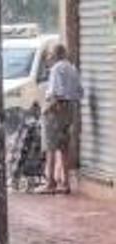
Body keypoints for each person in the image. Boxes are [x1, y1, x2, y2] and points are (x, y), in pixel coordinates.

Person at [37, 43, 83, 194]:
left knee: (50, 147)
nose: (48, 58)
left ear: (55, 55)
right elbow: (79, 92)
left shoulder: (57, 69)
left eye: (50, 54)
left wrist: (46, 109)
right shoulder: (72, 68)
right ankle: (65, 183)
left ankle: (50, 183)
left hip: (56, 110)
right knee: (64, 148)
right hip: (70, 110)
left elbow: (57, 93)